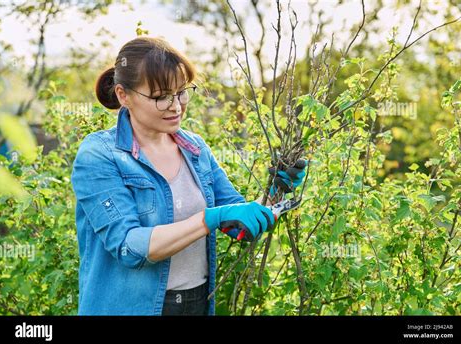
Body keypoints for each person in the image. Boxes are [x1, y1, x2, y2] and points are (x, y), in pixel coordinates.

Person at [71, 36, 306, 315]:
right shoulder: (100, 155)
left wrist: (275, 194)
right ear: (124, 95)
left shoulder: (194, 148)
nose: (176, 106)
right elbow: (129, 246)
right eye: (161, 97)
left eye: (182, 92)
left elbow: (234, 220)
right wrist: (209, 219)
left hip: (196, 304)